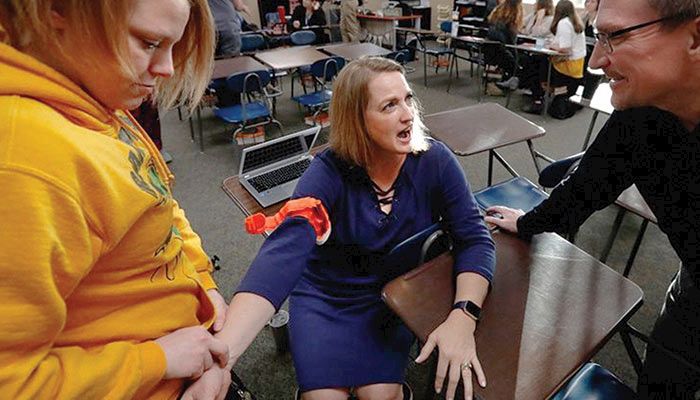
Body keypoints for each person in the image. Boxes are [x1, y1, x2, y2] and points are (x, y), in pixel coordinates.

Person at [184, 57, 496, 400]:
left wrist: (464, 315)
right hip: (325, 298)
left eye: (407, 99)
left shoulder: (434, 160)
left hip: (390, 296)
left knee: (379, 395)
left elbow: (475, 239)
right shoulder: (326, 173)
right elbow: (280, 258)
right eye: (389, 105)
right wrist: (221, 358)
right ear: (358, 121)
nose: (408, 113)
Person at [0, 1, 233, 398]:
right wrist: (155, 361)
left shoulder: (96, 97)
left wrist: (202, 280)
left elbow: (157, 202)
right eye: (148, 43)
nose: (168, 68)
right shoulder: (24, 161)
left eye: (172, 47)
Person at [485, 0, 700, 397]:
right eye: (597, 37)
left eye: (614, 37)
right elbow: (582, 191)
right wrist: (527, 222)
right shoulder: (640, 118)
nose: (597, 60)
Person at [502, 0, 586, 114]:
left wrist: (551, 46)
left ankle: (536, 97)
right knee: (535, 61)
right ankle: (529, 88)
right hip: (575, 66)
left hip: (567, 67)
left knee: (535, 63)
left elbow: (566, 49)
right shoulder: (574, 23)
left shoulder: (563, 23)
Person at [483, 0, 523, 90]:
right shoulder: (512, 19)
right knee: (522, 62)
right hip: (501, 54)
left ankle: (508, 80)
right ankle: (513, 81)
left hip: (489, 51)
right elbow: (512, 44)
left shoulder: (496, 12)